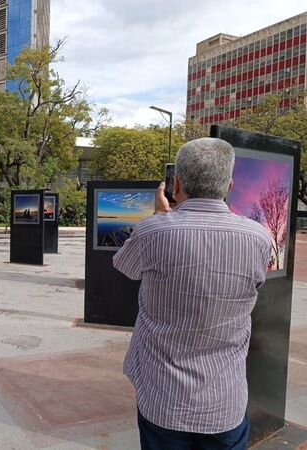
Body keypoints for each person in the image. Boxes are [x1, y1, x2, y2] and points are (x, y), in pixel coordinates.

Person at [113, 138, 272, 450]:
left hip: (163, 399)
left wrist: (160, 217)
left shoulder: (152, 231)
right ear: (229, 185)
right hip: (225, 402)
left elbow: (125, 267)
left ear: (175, 183)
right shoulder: (259, 237)